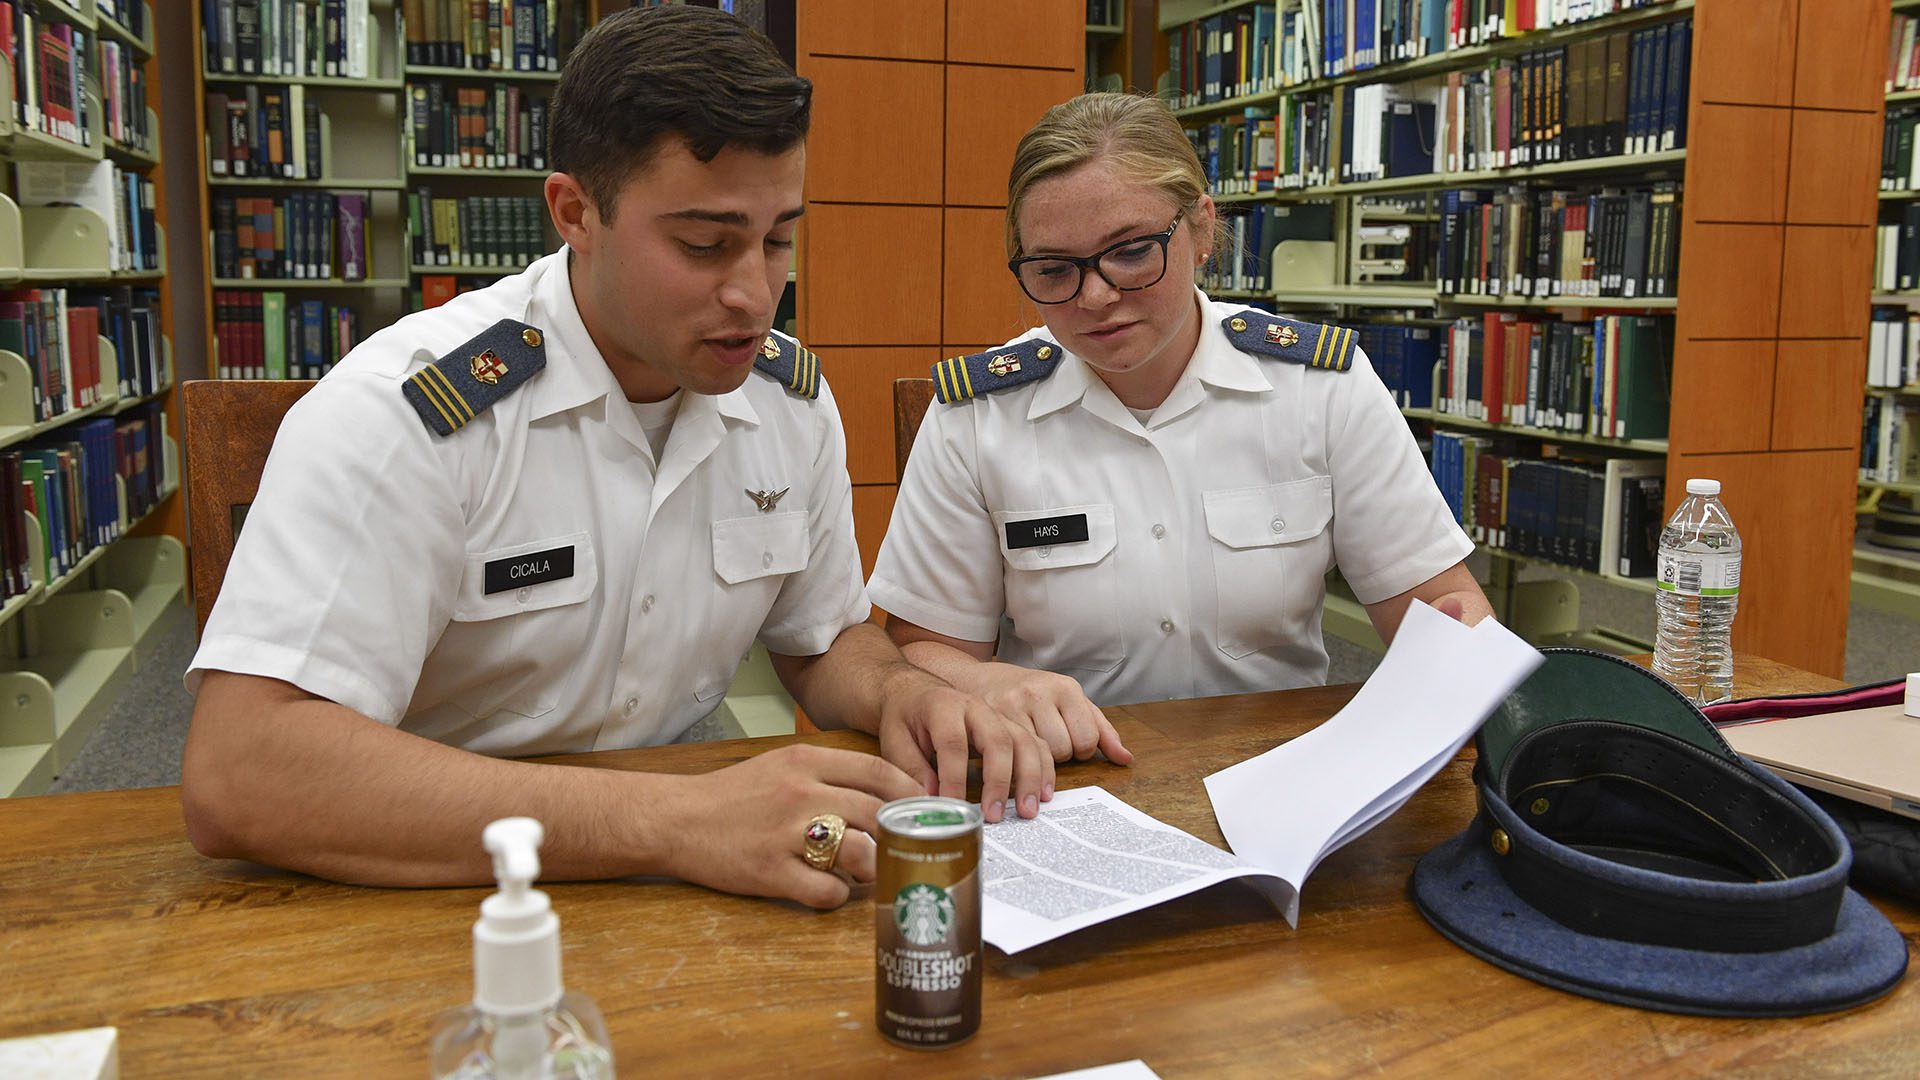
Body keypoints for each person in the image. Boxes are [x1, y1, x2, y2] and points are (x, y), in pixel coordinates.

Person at [180, 6, 1053, 910]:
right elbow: (242, 773)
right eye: (704, 244)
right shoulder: (416, 412)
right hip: (427, 888)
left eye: (781, 237)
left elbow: (821, 638)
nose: (756, 294)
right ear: (575, 212)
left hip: (681, 886)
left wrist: (897, 691)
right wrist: (671, 820)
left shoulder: (787, 405)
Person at [868, 93, 1492, 761]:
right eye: (1054, 270)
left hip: (1280, 775)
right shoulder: (979, 416)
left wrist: (1459, 643)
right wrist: (985, 682)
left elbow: (1440, 605)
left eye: (1132, 252)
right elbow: (923, 652)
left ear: (1199, 230)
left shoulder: (1319, 386)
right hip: (1066, 779)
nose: (1096, 296)